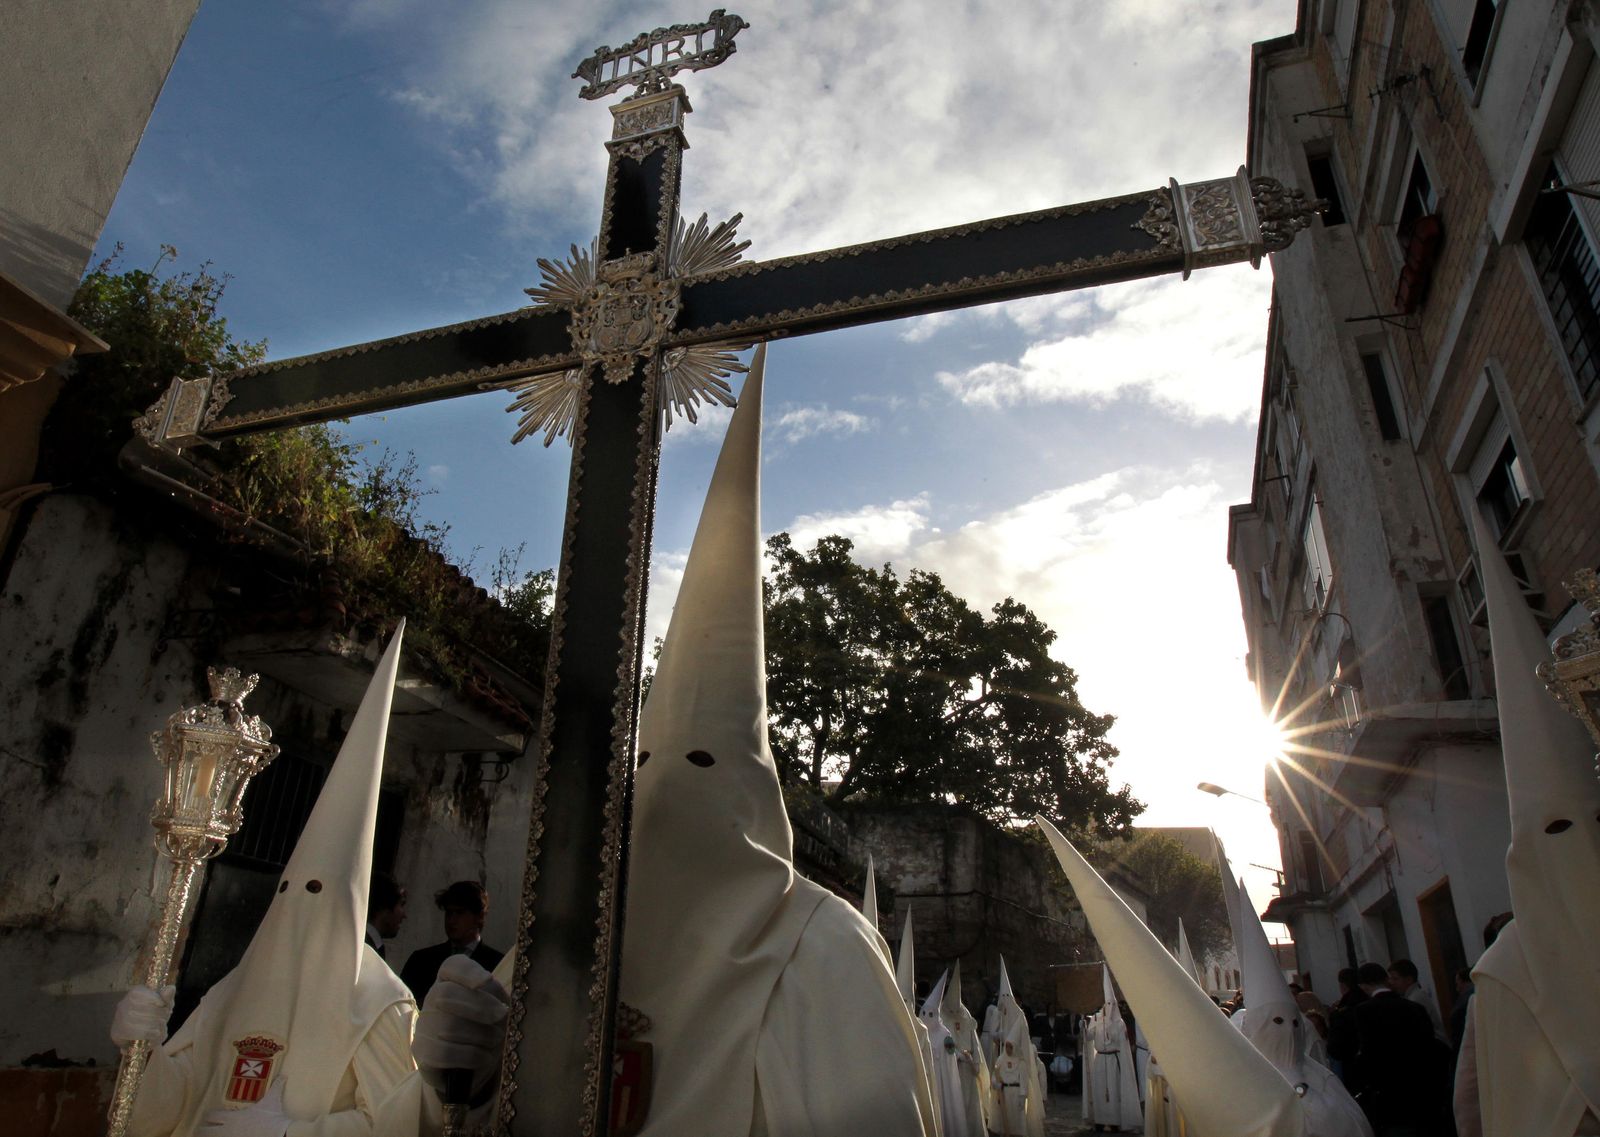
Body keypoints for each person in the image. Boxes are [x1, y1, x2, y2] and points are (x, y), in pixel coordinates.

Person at [416, 345, 939, 1136]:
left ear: (756, 793)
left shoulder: (827, 950)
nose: (666, 789)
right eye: (648, 764)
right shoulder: (571, 934)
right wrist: (456, 1078)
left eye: (702, 764)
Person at [108, 625, 437, 1136]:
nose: (298, 903)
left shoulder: (379, 1004)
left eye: (317, 893)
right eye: (289, 889)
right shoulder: (232, 990)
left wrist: (287, 1134)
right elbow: (163, 1112)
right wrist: (143, 1049)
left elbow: (398, 1124)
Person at [1352, 962, 1447, 1135]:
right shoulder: (1415, 1008)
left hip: (1389, 1093)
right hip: (1422, 1089)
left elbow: (1368, 1053)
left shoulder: (1364, 1011)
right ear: (1386, 980)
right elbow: (1429, 1046)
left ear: (1363, 986)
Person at [399, 880, 503, 1006]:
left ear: (479, 916)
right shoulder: (421, 961)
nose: (451, 920)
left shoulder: (498, 965)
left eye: (459, 913)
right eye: (449, 913)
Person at [1386, 959, 1446, 1043]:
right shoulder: (1415, 995)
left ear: (1409, 980)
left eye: (1395, 979)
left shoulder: (1415, 999)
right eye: (1390, 979)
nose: (1391, 983)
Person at [366, 870, 407, 961]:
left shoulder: (373, 945)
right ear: (385, 907)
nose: (404, 915)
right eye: (401, 904)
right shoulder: (367, 948)